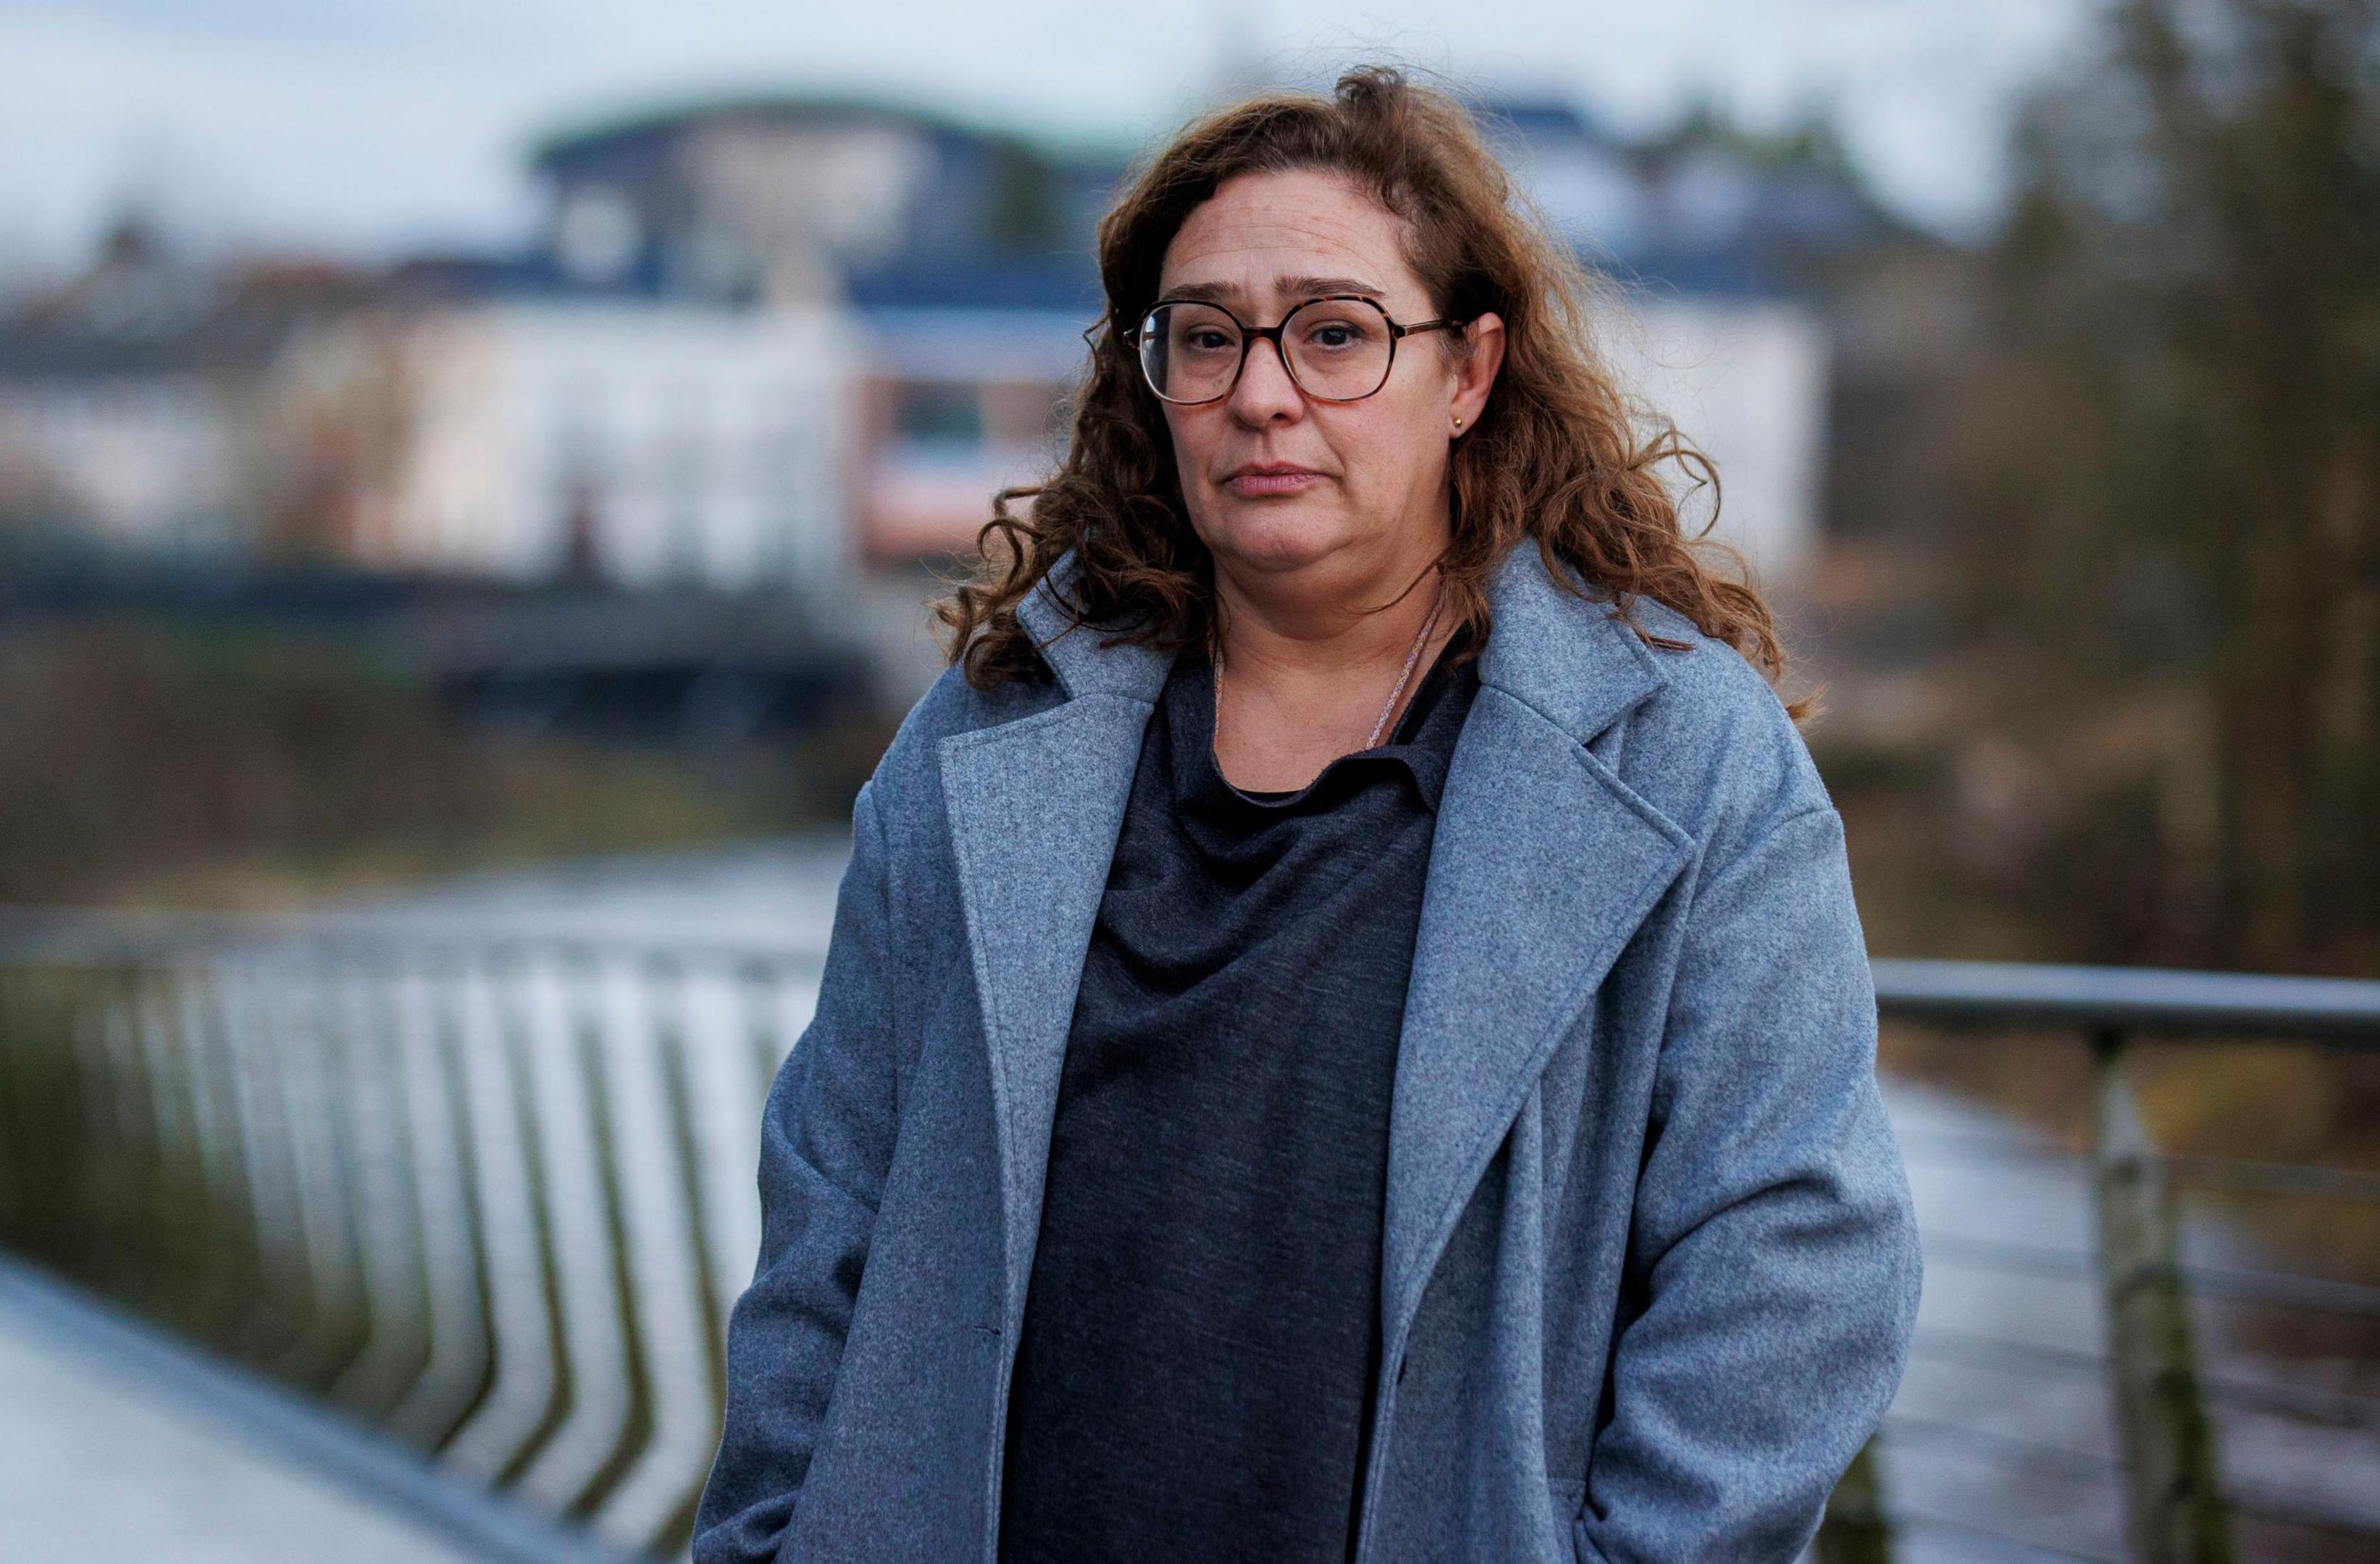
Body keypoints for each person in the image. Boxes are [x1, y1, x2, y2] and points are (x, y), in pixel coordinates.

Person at [693, 66, 1919, 1564]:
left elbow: (1798, 1259)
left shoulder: (1682, 756)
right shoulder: (989, 730)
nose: (1261, 390)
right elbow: (829, 1209)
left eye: (1335, 333)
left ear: (1469, 373)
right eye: (1206, 338)